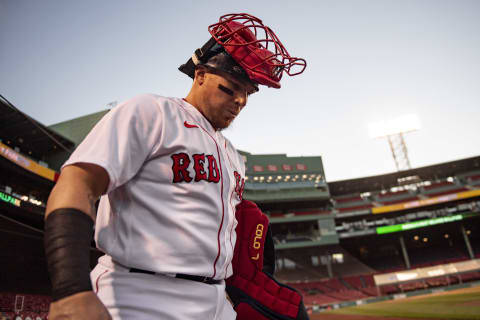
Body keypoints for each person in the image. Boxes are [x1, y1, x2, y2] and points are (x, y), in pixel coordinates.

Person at [43, 13, 305, 320]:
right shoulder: (152, 112)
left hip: (217, 299)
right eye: (230, 88)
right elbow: (77, 183)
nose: (239, 101)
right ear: (201, 74)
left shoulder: (232, 154)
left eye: (246, 95)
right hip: (140, 294)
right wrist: (70, 289)